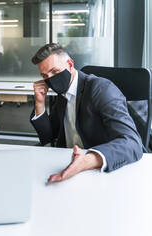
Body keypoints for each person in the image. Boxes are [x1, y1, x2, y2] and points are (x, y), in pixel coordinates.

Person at [30, 43, 143, 183]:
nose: (50, 80)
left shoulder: (101, 89)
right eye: (45, 76)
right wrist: (40, 103)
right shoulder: (61, 94)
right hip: (66, 164)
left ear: (70, 64)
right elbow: (48, 137)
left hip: (100, 171)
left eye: (55, 71)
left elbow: (132, 143)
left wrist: (87, 160)